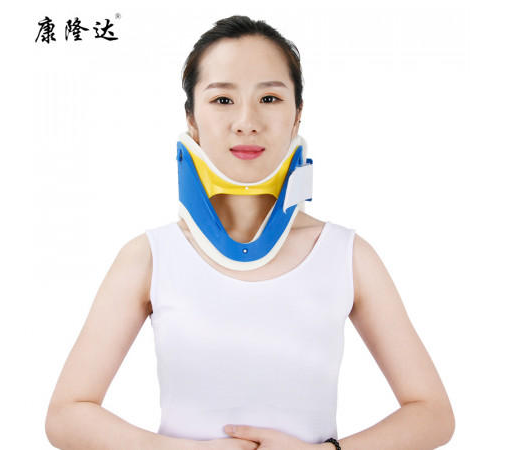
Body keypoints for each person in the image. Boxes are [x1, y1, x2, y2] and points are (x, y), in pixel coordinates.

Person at [45, 15, 455, 450]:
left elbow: (433, 413)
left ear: (298, 115)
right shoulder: (149, 257)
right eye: (222, 99)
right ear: (192, 118)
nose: (246, 121)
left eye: (270, 98)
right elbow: (66, 415)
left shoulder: (346, 254)